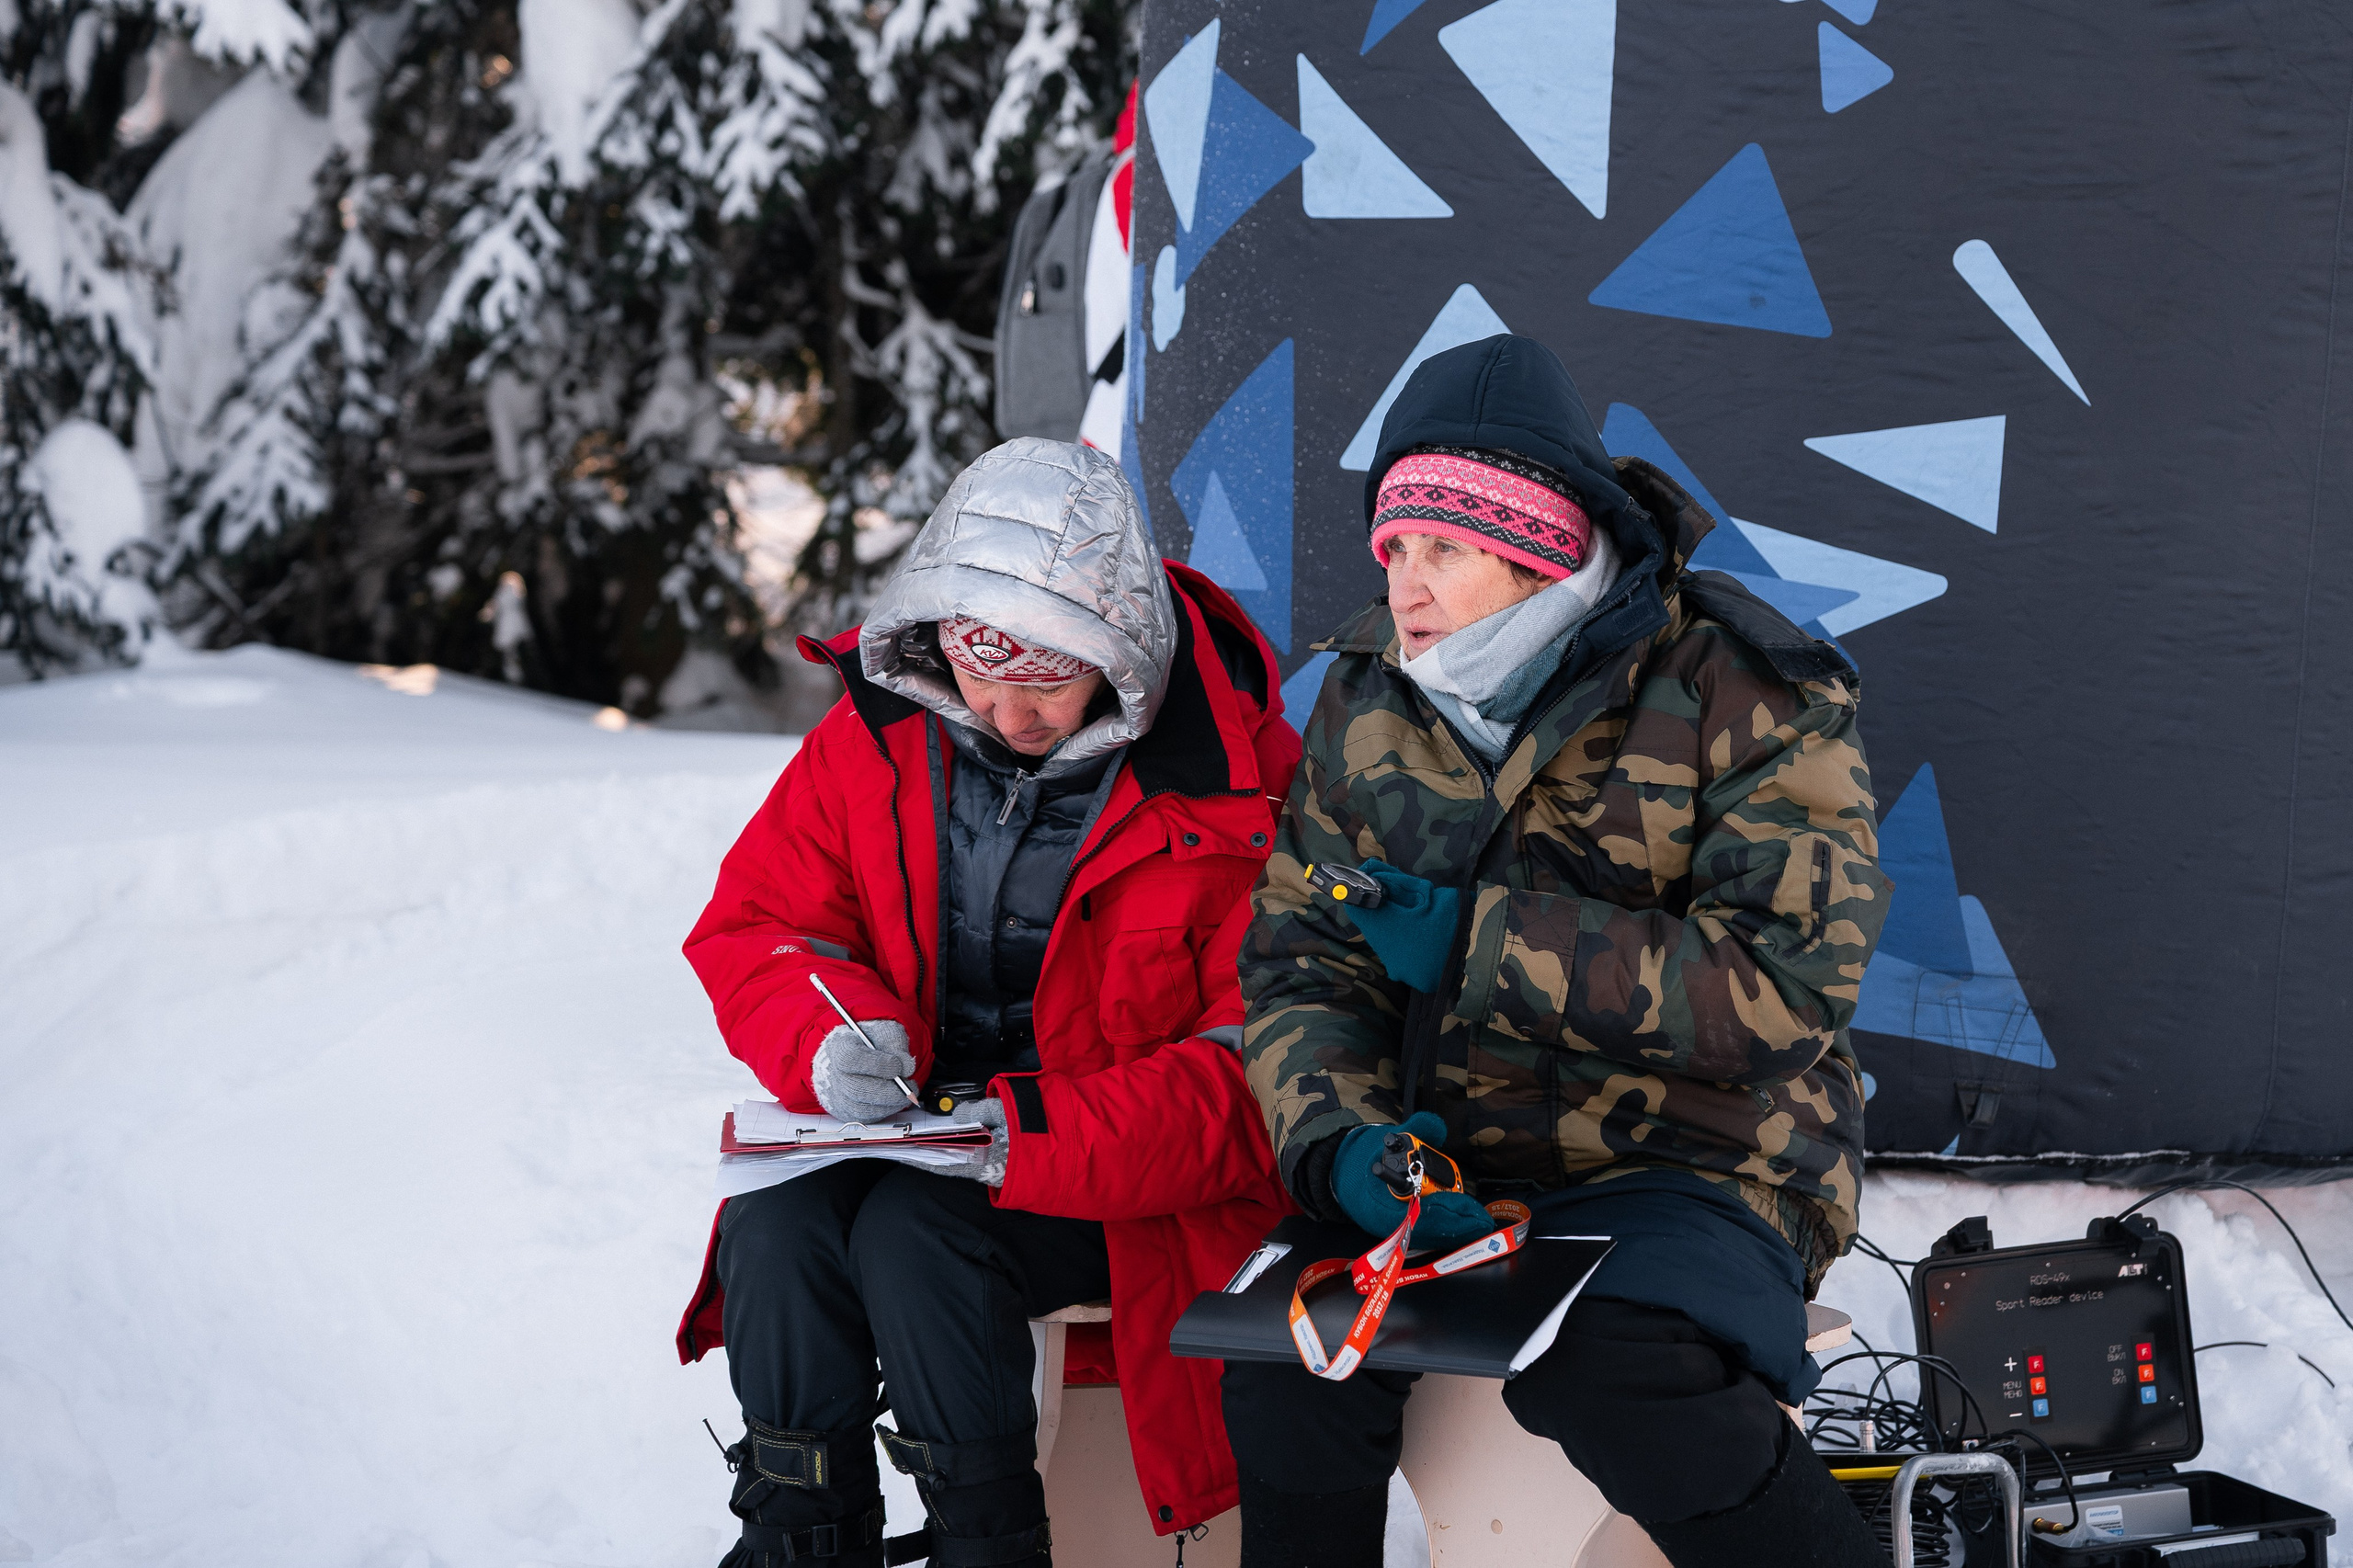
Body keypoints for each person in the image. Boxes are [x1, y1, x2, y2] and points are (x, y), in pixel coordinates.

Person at [1229, 335, 1893, 1568]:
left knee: (1608, 1344)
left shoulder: (1747, 686)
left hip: (1697, 1164)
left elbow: (1784, 987)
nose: (1404, 584)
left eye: (1441, 548)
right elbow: (1303, 958)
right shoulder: (1369, 693)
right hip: (1454, 1161)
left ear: (1534, 549)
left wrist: (1482, 948)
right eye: (1393, 547)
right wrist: (1350, 1141)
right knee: (1286, 1350)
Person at [676, 438, 1300, 1568]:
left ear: (1120, 656)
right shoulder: (875, 736)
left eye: (1045, 683)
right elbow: (762, 926)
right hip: (920, 1137)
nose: (1007, 714)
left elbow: (1254, 1078)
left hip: (1134, 1187)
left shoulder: (1241, 790)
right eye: (979, 676)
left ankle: (988, 1543)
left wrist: (1024, 1137)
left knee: (920, 1236)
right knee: (775, 1229)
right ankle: (800, 1538)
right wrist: (835, 1036)